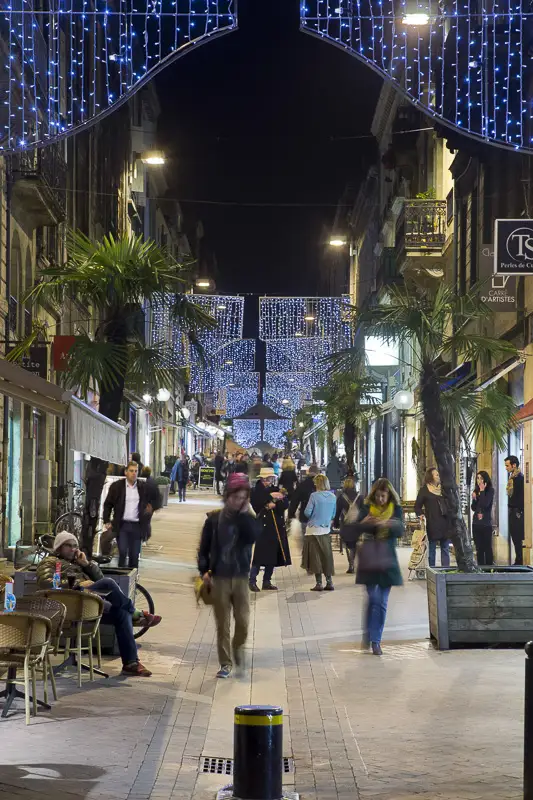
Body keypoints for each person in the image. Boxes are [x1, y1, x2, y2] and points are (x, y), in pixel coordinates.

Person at [36, 532, 160, 676]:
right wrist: (77, 584)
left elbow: (100, 581)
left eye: (75, 546)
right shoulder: (49, 562)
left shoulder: (78, 562)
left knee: (121, 613)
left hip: (89, 604)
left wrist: (87, 565)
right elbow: (45, 583)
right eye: (68, 545)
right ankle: (135, 613)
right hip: (68, 606)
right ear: (58, 547)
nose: (73, 549)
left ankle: (131, 663)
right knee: (109, 583)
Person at [197, 474, 258, 679]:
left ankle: (238, 647)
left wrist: (243, 514)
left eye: (242, 497)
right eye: (235, 497)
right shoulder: (214, 519)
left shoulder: (248, 520)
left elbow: (254, 536)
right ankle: (225, 663)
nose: (238, 501)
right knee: (222, 624)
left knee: (243, 622)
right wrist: (204, 570)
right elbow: (203, 548)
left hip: (241, 577)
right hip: (220, 577)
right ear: (227, 496)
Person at [346, 478, 403, 656]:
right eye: (378, 496)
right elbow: (351, 530)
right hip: (370, 558)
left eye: (383, 496)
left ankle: (376, 640)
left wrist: (391, 525)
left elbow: (401, 530)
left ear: (389, 495)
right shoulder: (366, 507)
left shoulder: (396, 509)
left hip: (387, 558)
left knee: (382, 601)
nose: (380, 500)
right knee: (373, 598)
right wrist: (365, 523)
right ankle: (368, 633)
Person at [103, 461, 162, 569]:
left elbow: (157, 497)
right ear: (126, 472)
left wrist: (152, 508)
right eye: (131, 471)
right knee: (123, 552)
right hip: (122, 525)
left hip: (137, 526)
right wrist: (106, 520)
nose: (134, 473)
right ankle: (122, 577)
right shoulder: (117, 487)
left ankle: (132, 581)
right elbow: (108, 504)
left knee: (134, 556)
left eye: (136, 471)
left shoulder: (143, 487)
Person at [250, 467, 291, 591]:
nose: (272, 480)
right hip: (264, 526)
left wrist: (276, 502)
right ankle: (252, 580)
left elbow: (285, 504)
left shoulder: (276, 489)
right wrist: (270, 498)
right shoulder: (256, 490)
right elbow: (257, 504)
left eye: (272, 478)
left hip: (276, 526)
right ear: (263, 478)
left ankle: (267, 580)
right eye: (269, 478)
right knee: (259, 554)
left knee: (273, 555)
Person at [302, 474, 337, 591]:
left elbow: (307, 512)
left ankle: (318, 583)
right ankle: (329, 582)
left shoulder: (314, 496)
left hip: (313, 530)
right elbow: (333, 514)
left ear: (317, 483)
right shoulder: (333, 497)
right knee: (326, 556)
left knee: (315, 557)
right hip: (326, 529)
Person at [414, 468, 452, 567]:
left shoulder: (443, 490)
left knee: (445, 548)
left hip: (444, 523)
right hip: (432, 523)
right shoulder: (424, 490)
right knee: (432, 549)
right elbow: (417, 506)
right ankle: (432, 571)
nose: (438, 476)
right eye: (436, 475)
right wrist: (421, 515)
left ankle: (445, 571)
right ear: (430, 477)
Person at [334, 476, 362, 574]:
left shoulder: (341, 497)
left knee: (347, 544)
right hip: (356, 524)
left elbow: (337, 512)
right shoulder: (359, 496)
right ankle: (352, 562)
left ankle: (350, 564)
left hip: (345, 524)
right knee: (354, 544)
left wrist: (336, 522)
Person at [471, 471, 495, 566]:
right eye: (477, 478)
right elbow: (473, 508)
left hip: (486, 523)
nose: (479, 480)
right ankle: (480, 567)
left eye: (481, 478)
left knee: (487, 547)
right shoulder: (476, 491)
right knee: (479, 548)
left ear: (485, 479)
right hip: (476, 523)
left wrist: (482, 491)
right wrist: (474, 499)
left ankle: (489, 568)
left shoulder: (490, 490)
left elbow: (485, 504)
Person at [505, 455, 524, 565]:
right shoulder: (512, 478)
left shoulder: (520, 478)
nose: (506, 468)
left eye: (507, 465)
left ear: (514, 465)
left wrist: (520, 511)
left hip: (517, 511)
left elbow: (522, 497)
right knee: (514, 537)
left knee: (517, 537)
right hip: (512, 510)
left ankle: (519, 560)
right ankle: (518, 559)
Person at [288, 463, 319, 532]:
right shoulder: (321, 485)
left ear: (309, 472)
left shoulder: (303, 484)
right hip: (319, 517)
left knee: (306, 538)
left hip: (305, 516)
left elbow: (295, 500)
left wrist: (291, 513)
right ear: (318, 473)